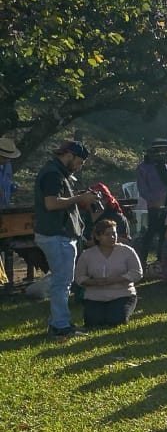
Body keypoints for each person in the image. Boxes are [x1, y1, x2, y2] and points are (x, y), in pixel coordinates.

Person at [33, 143, 97, 336]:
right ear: (69, 155)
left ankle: (58, 323)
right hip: (56, 235)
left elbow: (58, 199)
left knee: (62, 281)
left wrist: (79, 196)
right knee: (62, 282)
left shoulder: (57, 172)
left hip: (57, 234)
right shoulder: (54, 174)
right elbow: (51, 204)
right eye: (79, 161)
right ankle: (60, 326)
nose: (79, 166)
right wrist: (79, 199)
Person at [74, 217, 143, 329]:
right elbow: (79, 277)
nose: (112, 237)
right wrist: (93, 282)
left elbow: (137, 273)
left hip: (122, 294)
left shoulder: (127, 251)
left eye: (114, 234)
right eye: (107, 234)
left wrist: (117, 279)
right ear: (97, 236)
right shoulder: (87, 255)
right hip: (95, 295)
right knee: (93, 322)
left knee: (116, 321)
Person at [134, 138, 167, 268]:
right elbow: (142, 188)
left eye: (164, 151)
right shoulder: (144, 167)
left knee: (165, 232)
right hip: (153, 204)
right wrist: (153, 199)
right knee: (151, 232)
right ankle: (142, 261)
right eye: (158, 151)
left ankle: (161, 260)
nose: (161, 154)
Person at [0, 136, 18, 205]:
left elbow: (7, 181)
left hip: (4, 209)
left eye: (9, 157)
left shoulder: (8, 165)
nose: (8, 160)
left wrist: (13, 187)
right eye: (5, 157)